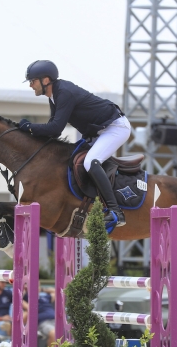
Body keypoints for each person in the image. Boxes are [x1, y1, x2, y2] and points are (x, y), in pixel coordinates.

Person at [19, 60, 130, 228]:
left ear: (46, 80)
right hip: (98, 132)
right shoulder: (54, 97)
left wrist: (29, 127)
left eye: (32, 81)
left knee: (90, 162)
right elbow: (53, 130)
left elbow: (55, 128)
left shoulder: (64, 93)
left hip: (115, 127)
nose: (31, 85)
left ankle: (116, 212)